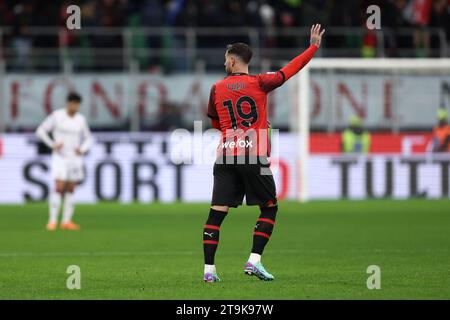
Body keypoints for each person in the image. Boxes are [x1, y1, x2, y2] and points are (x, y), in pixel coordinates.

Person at [203, 24, 325, 282]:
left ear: (233, 60)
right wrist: (312, 47)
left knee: (217, 212)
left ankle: (209, 271)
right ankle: (254, 261)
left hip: (225, 157)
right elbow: (289, 71)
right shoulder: (260, 82)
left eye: (227, 59)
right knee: (269, 208)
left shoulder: (216, 88)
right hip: (253, 156)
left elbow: (216, 123)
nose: (225, 62)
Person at [36, 92, 92, 231]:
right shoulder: (57, 116)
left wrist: (82, 148)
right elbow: (40, 131)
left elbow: (89, 138)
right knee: (59, 186)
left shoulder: (80, 119)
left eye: (77, 104)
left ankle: (66, 221)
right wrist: (52, 144)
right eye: (73, 103)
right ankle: (52, 220)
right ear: (68, 103)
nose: (75, 106)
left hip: (75, 158)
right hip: (60, 156)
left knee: (71, 187)